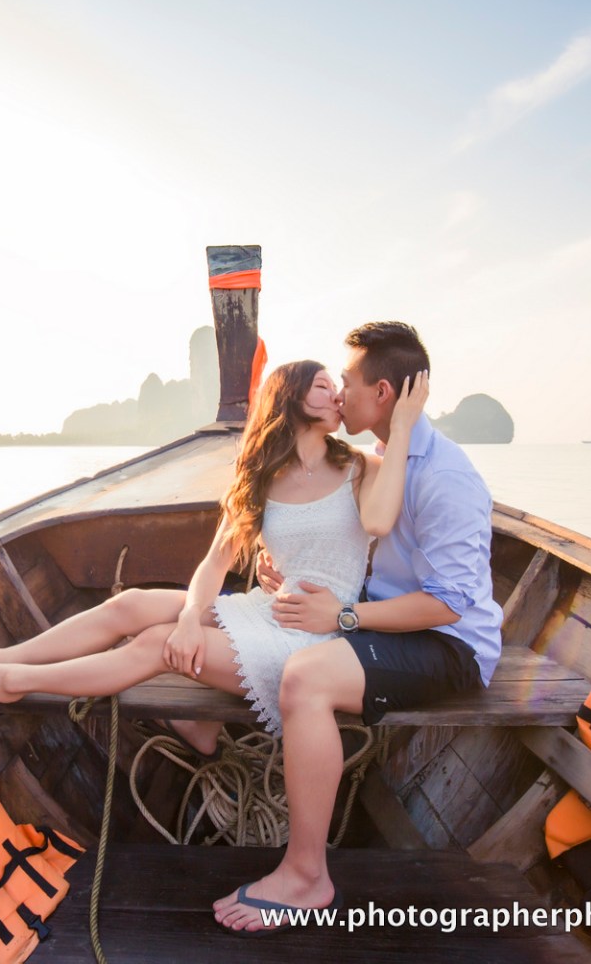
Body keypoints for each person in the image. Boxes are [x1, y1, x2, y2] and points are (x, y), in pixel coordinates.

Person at [0, 358, 428, 756]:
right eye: (324, 387)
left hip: (313, 639)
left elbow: (381, 522)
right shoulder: (260, 475)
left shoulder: (362, 467)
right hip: (268, 608)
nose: (337, 396)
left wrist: (401, 428)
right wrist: (193, 617)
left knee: (156, 644)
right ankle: (4, 655)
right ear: (292, 397)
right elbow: (216, 563)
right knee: (130, 604)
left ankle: (13, 680)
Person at [212, 321, 502, 933]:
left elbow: (449, 605)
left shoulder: (445, 478)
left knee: (305, 679)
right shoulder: (379, 458)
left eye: (346, 382)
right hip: (390, 616)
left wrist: (343, 616)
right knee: (278, 647)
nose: (338, 394)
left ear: (385, 395)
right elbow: (341, 529)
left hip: (448, 646)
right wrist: (279, 567)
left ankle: (306, 875)